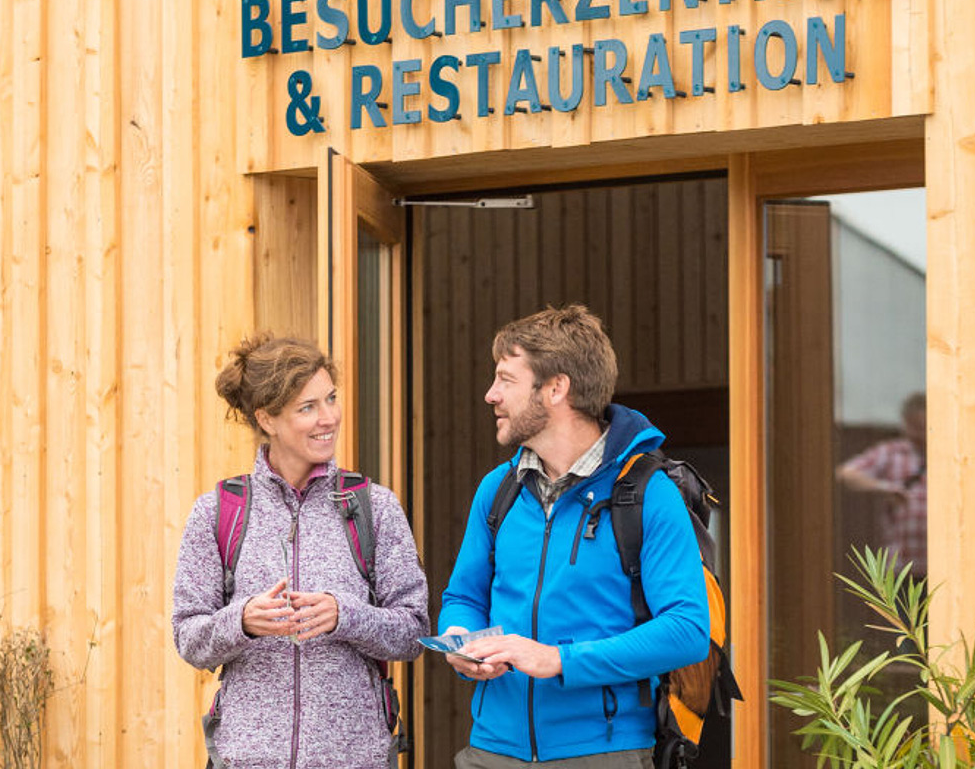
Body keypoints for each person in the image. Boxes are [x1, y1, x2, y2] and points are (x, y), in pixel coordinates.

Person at [437, 305, 711, 768]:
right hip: (489, 750)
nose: (491, 395)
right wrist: (459, 639)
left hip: (602, 752)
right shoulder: (497, 490)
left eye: (506, 379)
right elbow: (463, 595)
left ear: (556, 388)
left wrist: (560, 660)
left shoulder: (648, 495)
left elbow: (687, 631)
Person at [172, 335, 429, 769]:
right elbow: (189, 639)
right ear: (267, 418)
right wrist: (243, 622)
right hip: (248, 760)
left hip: (354, 760)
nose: (328, 418)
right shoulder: (218, 511)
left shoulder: (375, 507)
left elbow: (413, 630)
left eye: (331, 399)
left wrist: (343, 615)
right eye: (307, 407)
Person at [835, 392, 927, 577]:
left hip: (939, 566)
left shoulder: (949, 456)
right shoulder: (891, 453)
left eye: (923, 426)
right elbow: (845, 474)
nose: (919, 433)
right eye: (915, 426)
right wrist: (883, 488)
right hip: (901, 566)